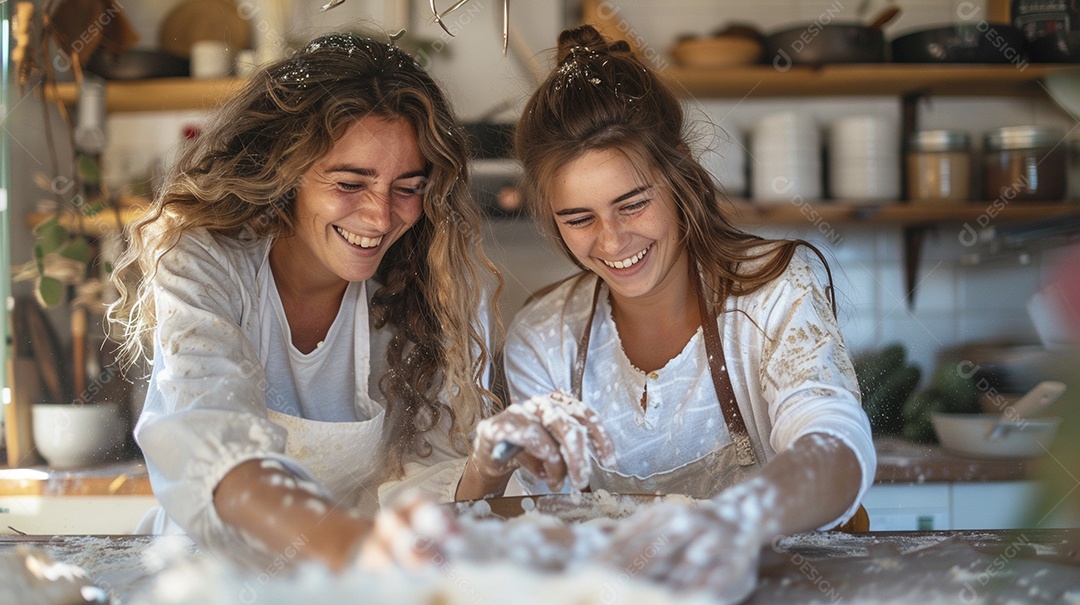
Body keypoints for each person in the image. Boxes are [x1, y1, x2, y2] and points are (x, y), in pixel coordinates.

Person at [462, 25, 876, 600]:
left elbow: (834, 446)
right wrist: (487, 469)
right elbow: (522, 535)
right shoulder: (544, 336)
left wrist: (731, 520)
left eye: (633, 204)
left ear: (678, 172)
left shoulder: (772, 288)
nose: (612, 241)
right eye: (578, 218)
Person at [107, 33, 502, 571]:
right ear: (288, 170)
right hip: (209, 580)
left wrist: (493, 461)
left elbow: (429, 486)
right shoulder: (205, 263)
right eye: (350, 183)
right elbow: (213, 441)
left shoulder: (432, 289)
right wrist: (349, 548)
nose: (380, 216)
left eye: (407, 187)